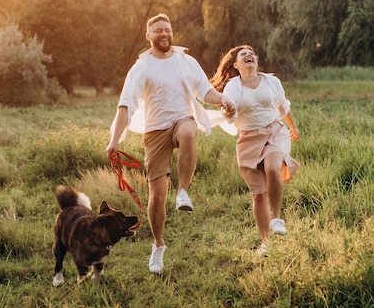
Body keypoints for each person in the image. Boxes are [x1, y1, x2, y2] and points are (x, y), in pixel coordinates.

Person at [106, 14, 236, 274]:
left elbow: (204, 90)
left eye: (167, 30)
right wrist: (114, 141)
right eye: (158, 31)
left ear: (172, 32)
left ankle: (184, 192)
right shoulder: (141, 67)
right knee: (156, 197)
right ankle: (158, 245)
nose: (164, 34)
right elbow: (125, 105)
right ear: (148, 35)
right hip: (155, 132)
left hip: (181, 120)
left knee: (189, 132)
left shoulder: (185, 61)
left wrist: (222, 98)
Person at [210, 45, 300, 256]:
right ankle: (266, 243)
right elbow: (230, 118)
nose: (249, 55)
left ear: (256, 61)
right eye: (244, 54)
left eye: (252, 54)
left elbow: (283, 106)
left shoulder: (271, 81)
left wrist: (293, 127)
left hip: (274, 132)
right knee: (259, 195)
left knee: (272, 168)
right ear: (236, 65)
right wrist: (229, 111)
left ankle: (276, 218)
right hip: (249, 139)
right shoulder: (233, 86)